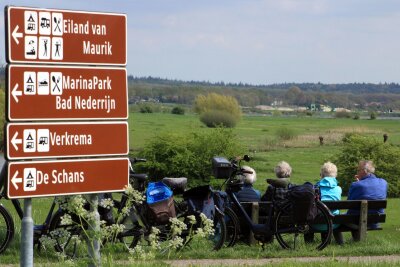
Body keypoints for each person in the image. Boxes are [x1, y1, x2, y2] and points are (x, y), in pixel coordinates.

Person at [347, 160, 388, 229]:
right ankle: (357, 240)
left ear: (364, 171)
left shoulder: (356, 185)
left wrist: (358, 183)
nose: (357, 172)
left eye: (358, 170)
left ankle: (339, 240)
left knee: (336, 219)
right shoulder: (384, 182)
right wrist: (359, 182)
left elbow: (349, 202)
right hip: (376, 219)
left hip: (356, 219)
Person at [311, 162, 343, 244]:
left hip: (315, 223)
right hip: (334, 223)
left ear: (321, 175)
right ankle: (337, 243)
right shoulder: (338, 189)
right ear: (335, 175)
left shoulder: (315, 188)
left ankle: (309, 244)